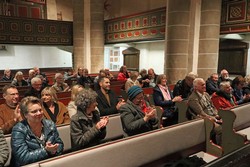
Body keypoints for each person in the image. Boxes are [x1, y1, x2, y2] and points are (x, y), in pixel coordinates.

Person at [11, 96, 64, 166]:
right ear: (25, 115)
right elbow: (22, 158)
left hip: (48, 163)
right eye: (34, 111)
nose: (39, 113)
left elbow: (60, 144)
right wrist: (46, 151)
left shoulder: (50, 124)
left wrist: (54, 150)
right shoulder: (18, 130)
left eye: (40, 110)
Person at [188, 78, 222, 144]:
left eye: (205, 84)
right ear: (196, 87)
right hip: (205, 120)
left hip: (214, 116)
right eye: (202, 85)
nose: (204, 86)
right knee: (220, 129)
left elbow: (212, 106)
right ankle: (219, 147)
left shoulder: (206, 94)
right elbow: (201, 113)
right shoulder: (193, 99)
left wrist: (218, 115)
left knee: (229, 123)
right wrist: (215, 119)